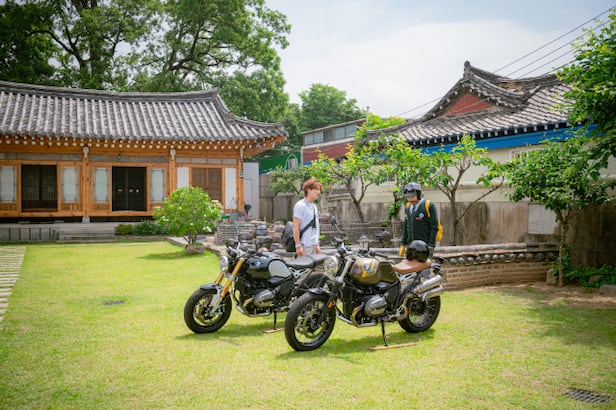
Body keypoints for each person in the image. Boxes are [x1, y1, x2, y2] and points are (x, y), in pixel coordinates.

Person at [399, 182, 439, 257]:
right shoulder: (408, 207)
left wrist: (431, 245)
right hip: (411, 246)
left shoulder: (428, 205)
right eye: (408, 197)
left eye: (412, 196)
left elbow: (434, 227)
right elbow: (406, 227)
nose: (410, 199)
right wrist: (403, 244)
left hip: (424, 246)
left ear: (418, 195)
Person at [293, 177, 323, 256]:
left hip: (313, 245)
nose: (319, 192)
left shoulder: (314, 207)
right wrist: (298, 246)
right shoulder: (300, 205)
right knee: (304, 264)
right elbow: (295, 226)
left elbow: (315, 228)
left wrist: (317, 244)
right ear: (309, 190)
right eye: (317, 189)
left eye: (320, 190)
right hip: (304, 245)